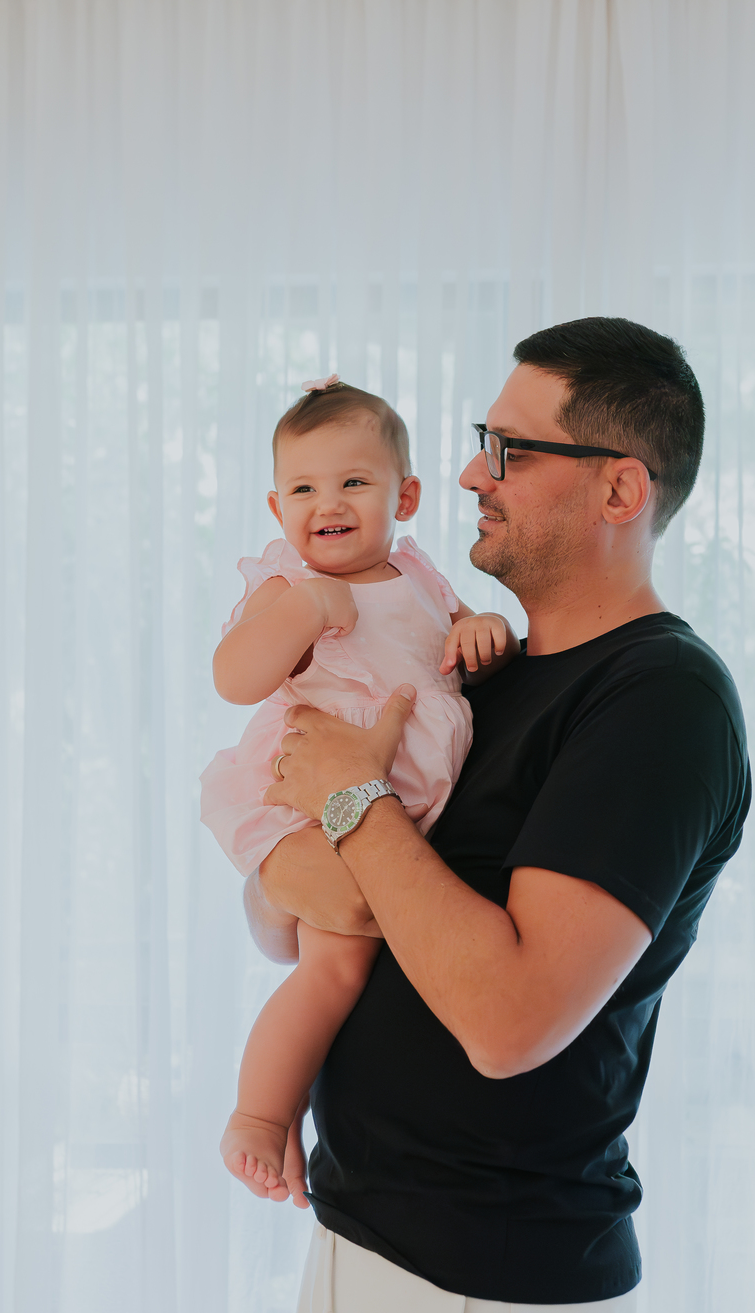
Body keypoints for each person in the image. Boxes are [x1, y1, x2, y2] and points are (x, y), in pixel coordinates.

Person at [240, 318, 751, 1313]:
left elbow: (514, 1014)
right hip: (386, 1236)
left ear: (619, 485)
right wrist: (303, 813)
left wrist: (350, 809)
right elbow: (299, 919)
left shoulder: (658, 703)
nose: (468, 472)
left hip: (490, 1278)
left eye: (512, 448)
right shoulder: (489, 670)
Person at [202, 377, 518, 1200]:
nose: (326, 503)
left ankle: (328, 1110)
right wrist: (307, 610)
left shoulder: (418, 574)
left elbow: (450, 641)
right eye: (303, 488)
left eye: (353, 482)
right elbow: (234, 678)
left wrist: (477, 628)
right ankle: (262, 1118)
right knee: (335, 973)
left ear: (404, 495)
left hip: (399, 812)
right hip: (316, 811)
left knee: (380, 979)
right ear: (277, 510)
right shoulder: (289, 586)